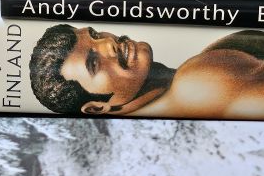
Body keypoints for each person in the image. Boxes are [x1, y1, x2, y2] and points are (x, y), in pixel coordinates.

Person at [29, 24, 264, 118]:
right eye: (93, 63)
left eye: (96, 35)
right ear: (96, 107)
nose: (107, 43)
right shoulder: (198, 82)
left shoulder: (194, 80)